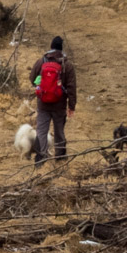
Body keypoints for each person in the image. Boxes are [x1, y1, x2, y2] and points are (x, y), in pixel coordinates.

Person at [27, 36, 76, 164]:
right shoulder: (67, 64)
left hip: (43, 104)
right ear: (61, 48)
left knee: (42, 131)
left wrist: (40, 87)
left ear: (51, 46)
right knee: (59, 131)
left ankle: (41, 157)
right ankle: (59, 158)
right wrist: (72, 106)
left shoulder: (42, 61)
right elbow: (71, 87)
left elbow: (32, 78)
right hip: (59, 105)